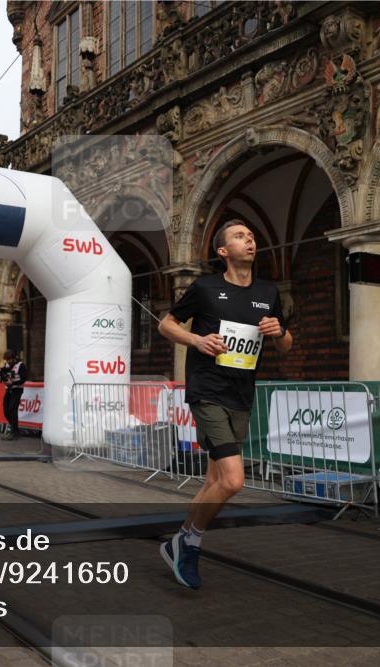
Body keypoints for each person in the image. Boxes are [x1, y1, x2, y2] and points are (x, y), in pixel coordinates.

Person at [157, 219, 292, 589]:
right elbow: (166, 325)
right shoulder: (205, 287)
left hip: (241, 393)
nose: (249, 240)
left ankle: (179, 541)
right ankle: (191, 543)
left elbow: (286, 343)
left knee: (215, 479)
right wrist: (196, 341)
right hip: (207, 389)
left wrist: (279, 332)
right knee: (233, 480)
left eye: (251, 235)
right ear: (223, 251)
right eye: (239, 236)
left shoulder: (268, 291)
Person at [0, 350, 27, 440]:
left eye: (10, 360)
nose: (8, 362)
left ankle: (13, 433)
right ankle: (15, 429)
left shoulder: (21, 365)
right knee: (6, 410)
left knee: (12, 409)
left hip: (17, 389)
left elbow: (23, 379)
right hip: (9, 389)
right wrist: (2, 375)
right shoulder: (7, 365)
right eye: (7, 360)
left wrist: (13, 383)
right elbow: (2, 376)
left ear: (14, 358)